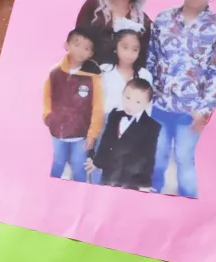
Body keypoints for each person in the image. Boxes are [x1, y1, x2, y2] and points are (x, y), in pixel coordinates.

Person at [146, 0, 216, 198]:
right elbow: (151, 58)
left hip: (192, 110)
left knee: (184, 159)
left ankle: (188, 203)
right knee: (156, 157)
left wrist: (205, 110)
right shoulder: (163, 18)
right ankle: (150, 199)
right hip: (159, 105)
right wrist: (148, 95)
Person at [89, 29, 154, 183]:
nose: (129, 53)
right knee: (100, 159)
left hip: (132, 125)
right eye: (125, 47)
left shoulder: (144, 75)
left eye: (135, 49)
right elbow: (95, 100)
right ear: (115, 47)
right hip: (105, 123)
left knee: (124, 164)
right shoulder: (104, 70)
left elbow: (147, 105)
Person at [44, 29, 105, 182]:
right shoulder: (55, 72)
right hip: (56, 133)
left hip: (80, 136)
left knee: (78, 167)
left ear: (91, 53)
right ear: (67, 45)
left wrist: (92, 134)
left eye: (86, 48)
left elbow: (98, 107)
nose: (80, 51)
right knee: (57, 164)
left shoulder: (93, 77)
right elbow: (47, 96)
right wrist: (48, 117)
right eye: (76, 45)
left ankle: (79, 193)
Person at [86, 78, 162, 190]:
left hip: (131, 179)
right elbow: (106, 141)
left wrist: (144, 183)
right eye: (127, 98)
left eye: (138, 102)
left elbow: (148, 157)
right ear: (122, 94)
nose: (130, 104)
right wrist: (97, 162)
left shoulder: (151, 126)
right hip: (109, 174)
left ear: (147, 104)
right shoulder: (114, 115)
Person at [75, 0, 151, 70]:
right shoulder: (93, 6)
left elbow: (143, 60)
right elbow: (77, 42)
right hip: (90, 74)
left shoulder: (142, 21)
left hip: (125, 78)